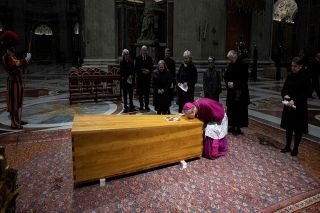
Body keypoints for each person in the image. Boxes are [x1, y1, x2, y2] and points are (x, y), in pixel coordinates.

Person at [280, 57, 312, 156]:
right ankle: (287, 146)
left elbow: (307, 93)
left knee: (298, 129)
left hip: (299, 107)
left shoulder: (305, 78)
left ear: (301, 66)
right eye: (292, 66)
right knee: (289, 127)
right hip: (289, 106)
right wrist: (284, 96)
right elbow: (284, 89)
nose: (293, 68)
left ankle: (296, 149)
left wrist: (294, 100)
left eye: (295, 66)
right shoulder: (290, 77)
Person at [0, 30, 32, 129]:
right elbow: (15, 65)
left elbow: (18, 64)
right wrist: (25, 60)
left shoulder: (11, 55)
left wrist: (25, 62)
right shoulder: (6, 57)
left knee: (18, 101)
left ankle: (18, 119)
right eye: (12, 47)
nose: (13, 49)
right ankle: (14, 123)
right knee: (13, 102)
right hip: (13, 81)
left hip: (17, 80)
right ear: (9, 47)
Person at [224, 50, 250, 136]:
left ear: (235, 57)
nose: (229, 61)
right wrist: (228, 82)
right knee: (231, 109)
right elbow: (226, 76)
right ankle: (231, 126)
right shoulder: (231, 64)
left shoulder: (242, 65)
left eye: (230, 59)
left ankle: (237, 128)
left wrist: (234, 84)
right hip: (232, 92)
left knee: (239, 110)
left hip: (240, 92)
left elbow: (244, 80)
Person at [135, 45, 153, 111]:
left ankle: (147, 105)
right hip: (140, 79)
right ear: (141, 51)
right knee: (141, 94)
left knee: (147, 94)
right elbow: (136, 68)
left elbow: (151, 67)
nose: (144, 51)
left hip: (147, 79)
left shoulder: (149, 58)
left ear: (147, 51)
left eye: (145, 50)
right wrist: (142, 71)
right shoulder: (138, 58)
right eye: (143, 50)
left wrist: (148, 71)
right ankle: (141, 105)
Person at [120, 49, 135, 113]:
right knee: (125, 94)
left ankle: (131, 105)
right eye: (125, 55)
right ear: (124, 56)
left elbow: (133, 70)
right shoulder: (122, 62)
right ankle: (125, 106)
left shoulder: (131, 62)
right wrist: (128, 76)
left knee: (131, 94)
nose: (126, 56)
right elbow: (122, 72)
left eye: (127, 54)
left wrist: (132, 75)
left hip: (131, 80)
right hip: (125, 81)